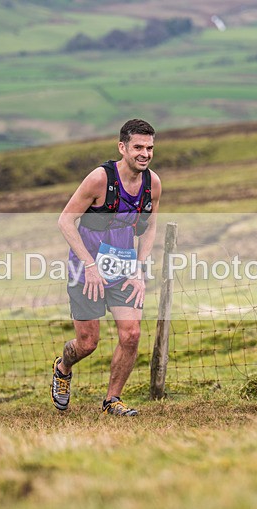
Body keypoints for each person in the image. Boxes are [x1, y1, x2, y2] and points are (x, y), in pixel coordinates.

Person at [53, 118, 162, 416]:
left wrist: (139, 268)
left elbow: (151, 226)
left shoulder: (152, 183)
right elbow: (65, 220)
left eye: (150, 148)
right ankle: (62, 368)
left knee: (131, 335)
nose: (145, 153)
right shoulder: (100, 179)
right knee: (87, 343)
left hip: (123, 269)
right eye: (138, 147)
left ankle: (111, 400)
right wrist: (89, 265)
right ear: (122, 147)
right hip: (86, 271)